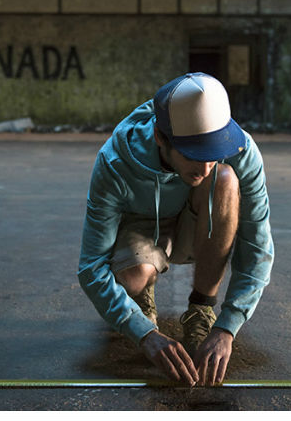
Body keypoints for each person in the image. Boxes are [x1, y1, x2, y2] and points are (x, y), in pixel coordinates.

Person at [77, 72, 274, 386]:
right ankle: (140, 298)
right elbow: (91, 267)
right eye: (194, 155)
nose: (205, 166)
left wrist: (226, 328)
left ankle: (201, 310)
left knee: (224, 179)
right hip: (143, 229)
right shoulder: (114, 162)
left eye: (212, 153)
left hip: (200, 222)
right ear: (160, 137)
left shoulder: (240, 151)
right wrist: (143, 333)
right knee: (132, 277)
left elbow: (258, 248)